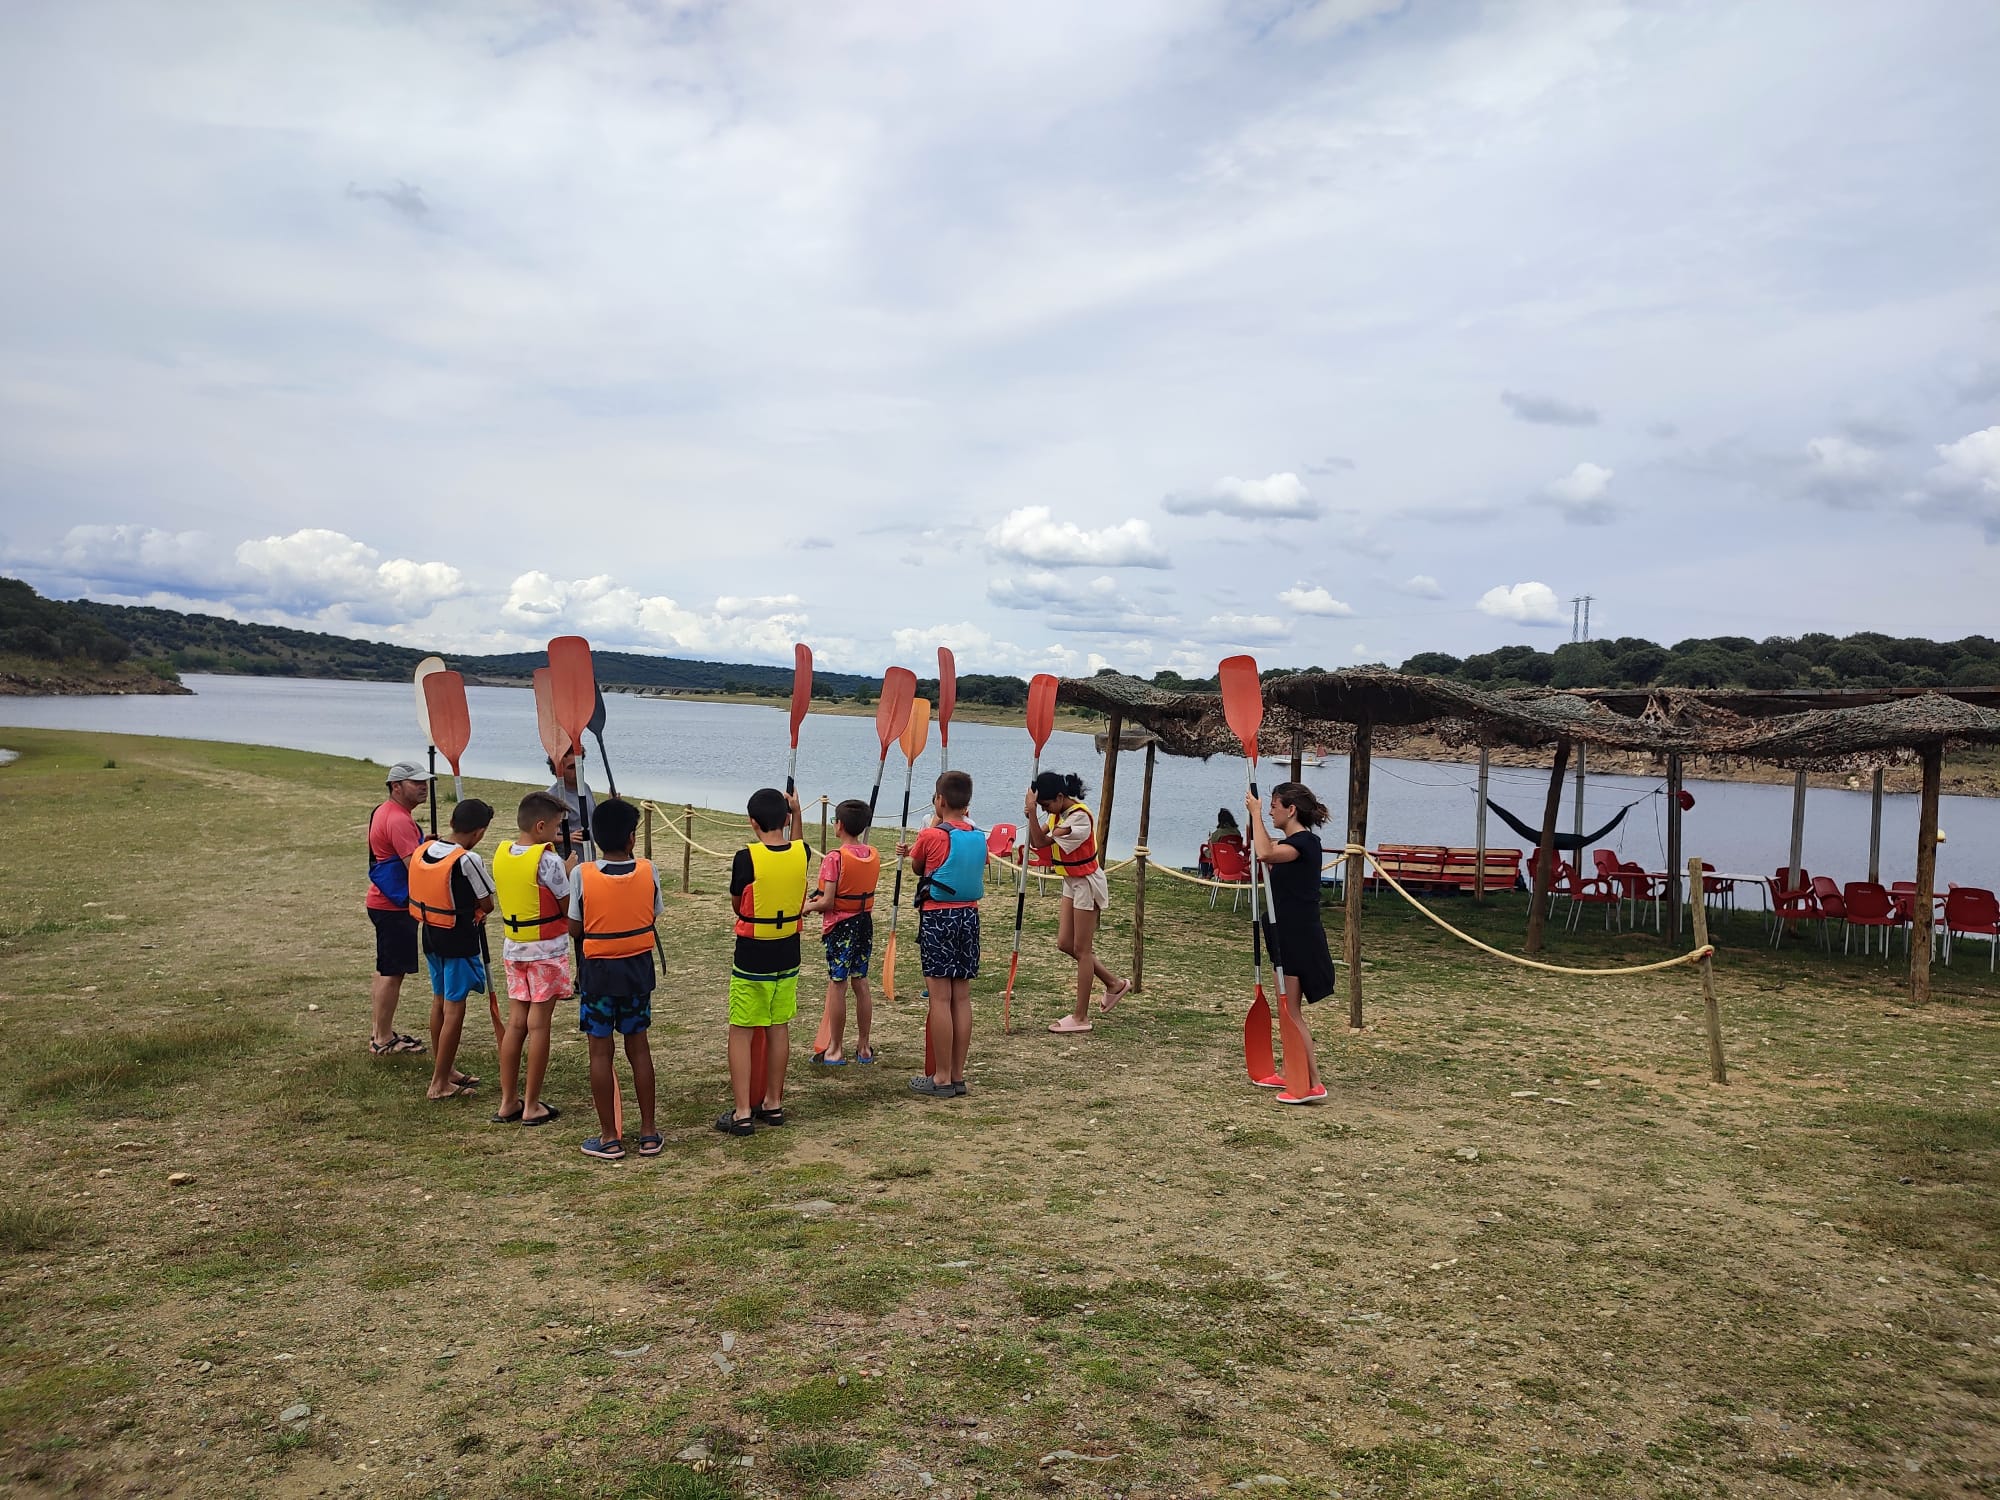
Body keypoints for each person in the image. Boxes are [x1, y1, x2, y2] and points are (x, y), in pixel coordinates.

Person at [568, 797, 662, 1160]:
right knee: (639, 1048)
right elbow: (652, 913)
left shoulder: (581, 874)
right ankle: (649, 1133)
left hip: (598, 976)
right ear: (631, 838)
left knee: (600, 1052)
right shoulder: (648, 870)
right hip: (636, 972)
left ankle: (609, 1137)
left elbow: (574, 927)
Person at [721, 787, 809, 1135]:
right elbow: (797, 845)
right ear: (786, 819)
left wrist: (792, 814)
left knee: (741, 1030)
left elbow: (737, 903)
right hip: (788, 953)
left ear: (752, 822)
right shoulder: (802, 853)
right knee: (778, 1025)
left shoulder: (746, 858)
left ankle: (743, 1111)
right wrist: (797, 812)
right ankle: (773, 1102)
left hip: (753, 954)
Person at [1243, 781, 1334, 1105]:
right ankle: (1292, 1071)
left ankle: (1312, 1083)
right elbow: (1262, 848)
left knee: (1291, 1011)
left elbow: (1266, 853)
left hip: (1298, 935)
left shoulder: (1305, 843)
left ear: (1290, 809)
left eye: (1273, 806)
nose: (1270, 811)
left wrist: (1256, 813)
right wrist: (1254, 818)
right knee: (1286, 1010)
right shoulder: (1291, 842)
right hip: (1283, 932)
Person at [490, 790, 576, 1127]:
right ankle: (532, 1105)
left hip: (514, 949)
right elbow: (566, 906)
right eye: (555, 828)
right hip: (546, 952)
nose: (557, 834)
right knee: (539, 1025)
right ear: (541, 826)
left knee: (516, 1024)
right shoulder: (549, 861)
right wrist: (568, 871)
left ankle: (508, 1101)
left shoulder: (502, 854)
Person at [407, 798, 496, 1102]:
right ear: (479, 832)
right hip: (457, 938)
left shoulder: (425, 849)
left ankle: (446, 1070)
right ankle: (439, 1084)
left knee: (439, 1001)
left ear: (451, 823)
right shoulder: (468, 859)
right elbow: (487, 903)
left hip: (430, 934)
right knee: (454, 1009)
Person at [1025, 771, 1128, 1035]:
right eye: (1041, 806)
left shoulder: (1078, 818)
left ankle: (1081, 1017)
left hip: (1087, 883)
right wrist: (1033, 813)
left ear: (1060, 797)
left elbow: (1041, 842)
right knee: (1065, 943)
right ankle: (1114, 984)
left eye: (1046, 805)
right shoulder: (1057, 814)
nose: (1045, 810)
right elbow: (1037, 838)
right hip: (1071, 881)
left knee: (1083, 950)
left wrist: (1031, 812)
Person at [906, 770, 982, 1096]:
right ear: (967, 803)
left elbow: (917, 866)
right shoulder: (978, 835)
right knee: (961, 997)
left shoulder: (932, 835)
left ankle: (941, 1077)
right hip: (969, 916)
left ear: (939, 800)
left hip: (938, 917)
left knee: (940, 998)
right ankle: (958, 1074)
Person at [802, 798, 879, 1066]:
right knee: (861, 980)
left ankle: (834, 1048)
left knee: (838, 983)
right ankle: (864, 1046)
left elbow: (827, 902)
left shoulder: (834, 858)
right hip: (864, 923)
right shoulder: (870, 854)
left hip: (842, 927)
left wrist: (808, 906)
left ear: (840, 825)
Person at [365, 761, 432, 1056]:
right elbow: (415, 868)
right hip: (393, 905)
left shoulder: (385, 811)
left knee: (386, 969)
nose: (423, 787)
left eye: (425, 782)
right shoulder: (399, 819)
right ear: (396, 787)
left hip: (383, 901)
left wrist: (424, 844)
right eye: (416, 782)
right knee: (392, 973)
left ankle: (381, 1032)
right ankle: (382, 1039)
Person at [545, 751, 597, 852]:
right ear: (558, 771)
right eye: (571, 767)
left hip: (589, 857)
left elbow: (593, 819)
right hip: (566, 859)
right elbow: (541, 836)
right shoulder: (551, 798)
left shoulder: (585, 788)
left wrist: (612, 805)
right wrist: (567, 838)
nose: (578, 770)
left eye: (579, 764)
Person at [1201, 807, 1245, 878]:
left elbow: (1211, 844)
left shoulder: (1219, 832)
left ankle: (1205, 875)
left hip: (1220, 856)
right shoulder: (1237, 832)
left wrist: (1210, 838)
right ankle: (1210, 873)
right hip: (1233, 857)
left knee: (1207, 852)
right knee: (1215, 853)